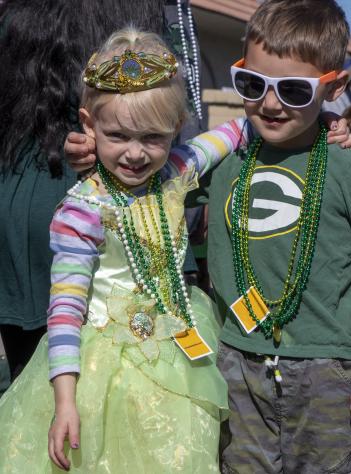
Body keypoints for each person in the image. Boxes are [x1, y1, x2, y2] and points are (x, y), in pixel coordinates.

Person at [0, 28, 251, 472]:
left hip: (180, 359)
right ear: (89, 124)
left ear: (176, 128)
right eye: (117, 135)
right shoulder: (83, 210)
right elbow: (64, 311)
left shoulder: (175, 169)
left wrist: (325, 121)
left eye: (152, 137)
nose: (135, 153)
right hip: (102, 370)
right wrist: (65, 401)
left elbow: (235, 131)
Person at [195, 2, 351, 472]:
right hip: (238, 361)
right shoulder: (224, 164)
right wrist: (96, 149)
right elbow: (143, 173)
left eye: (294, 90)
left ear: (333, 87)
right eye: (252, 85)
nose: (271, 104)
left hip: (326, 371)